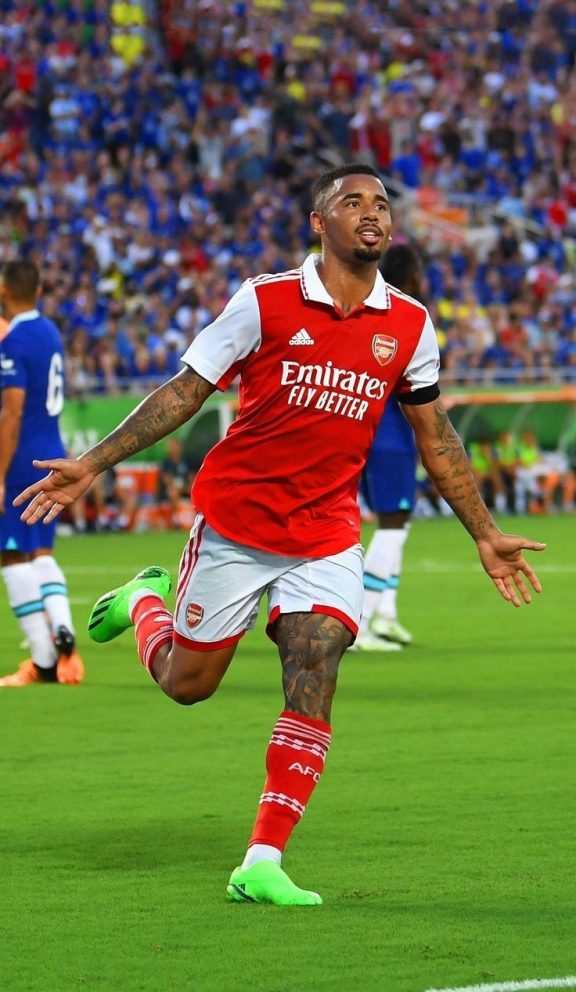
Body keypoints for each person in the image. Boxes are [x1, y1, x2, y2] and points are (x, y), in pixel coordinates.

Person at [14, 165, 545, 905]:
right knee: (188, 686)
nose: (373, 213)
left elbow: (437, 434)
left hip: (326, 531)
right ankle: (145, 601)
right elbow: (186, 391)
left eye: (382, 204)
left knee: (316, 662)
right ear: (318, 223)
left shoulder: (410, 323)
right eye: (353, 202)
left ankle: (262, 860)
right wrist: (96, 461)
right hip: (236, 525)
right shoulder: (264, 301)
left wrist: (484, 532)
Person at [0, 261, 84, 687]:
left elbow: (12, 413)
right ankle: (63, 629)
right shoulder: (50, 331)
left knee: (11, 553)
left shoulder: (14, 341)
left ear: (4, 291)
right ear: (36, 291)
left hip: (21, 461)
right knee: (41, 552)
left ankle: (43, 660)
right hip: (52, 452)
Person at [355, 243, 423, 653]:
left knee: (399, 525)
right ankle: (360, 622)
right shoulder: (406, 318)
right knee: (393, 526)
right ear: (410, 275)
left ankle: (386, 614)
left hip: (373, 434)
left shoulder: (371, 312)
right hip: (391, 438)